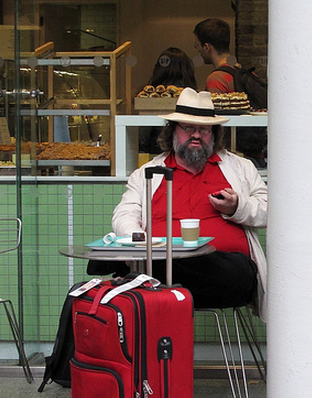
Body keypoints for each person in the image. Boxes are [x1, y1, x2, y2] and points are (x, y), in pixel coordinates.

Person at [112, 87, 268, 317]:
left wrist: (237, 207)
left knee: (232, 270)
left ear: (213, 134)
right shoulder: (148, 173)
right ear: (173, 131)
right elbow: (124, 214)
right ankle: (163, 263)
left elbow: (268, 210)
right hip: (162, 269)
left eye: (204, 130)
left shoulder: (240, 168)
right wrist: (138, 242)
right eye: (188, 128)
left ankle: (157, 265)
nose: (196, 135)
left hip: (224, 279)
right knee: (157, 264)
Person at [194, 17, 267, 165]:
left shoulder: (216, 78)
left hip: (233, 156)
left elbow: (216, 125)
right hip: (256, 154)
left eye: (198, 46)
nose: (199, 51)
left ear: (207, 47)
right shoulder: (247, 74)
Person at [139, 47, 197, 154]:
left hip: (157, 155)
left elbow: (143, 137)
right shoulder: (193, 97)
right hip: (188, 155)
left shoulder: (151, 98)